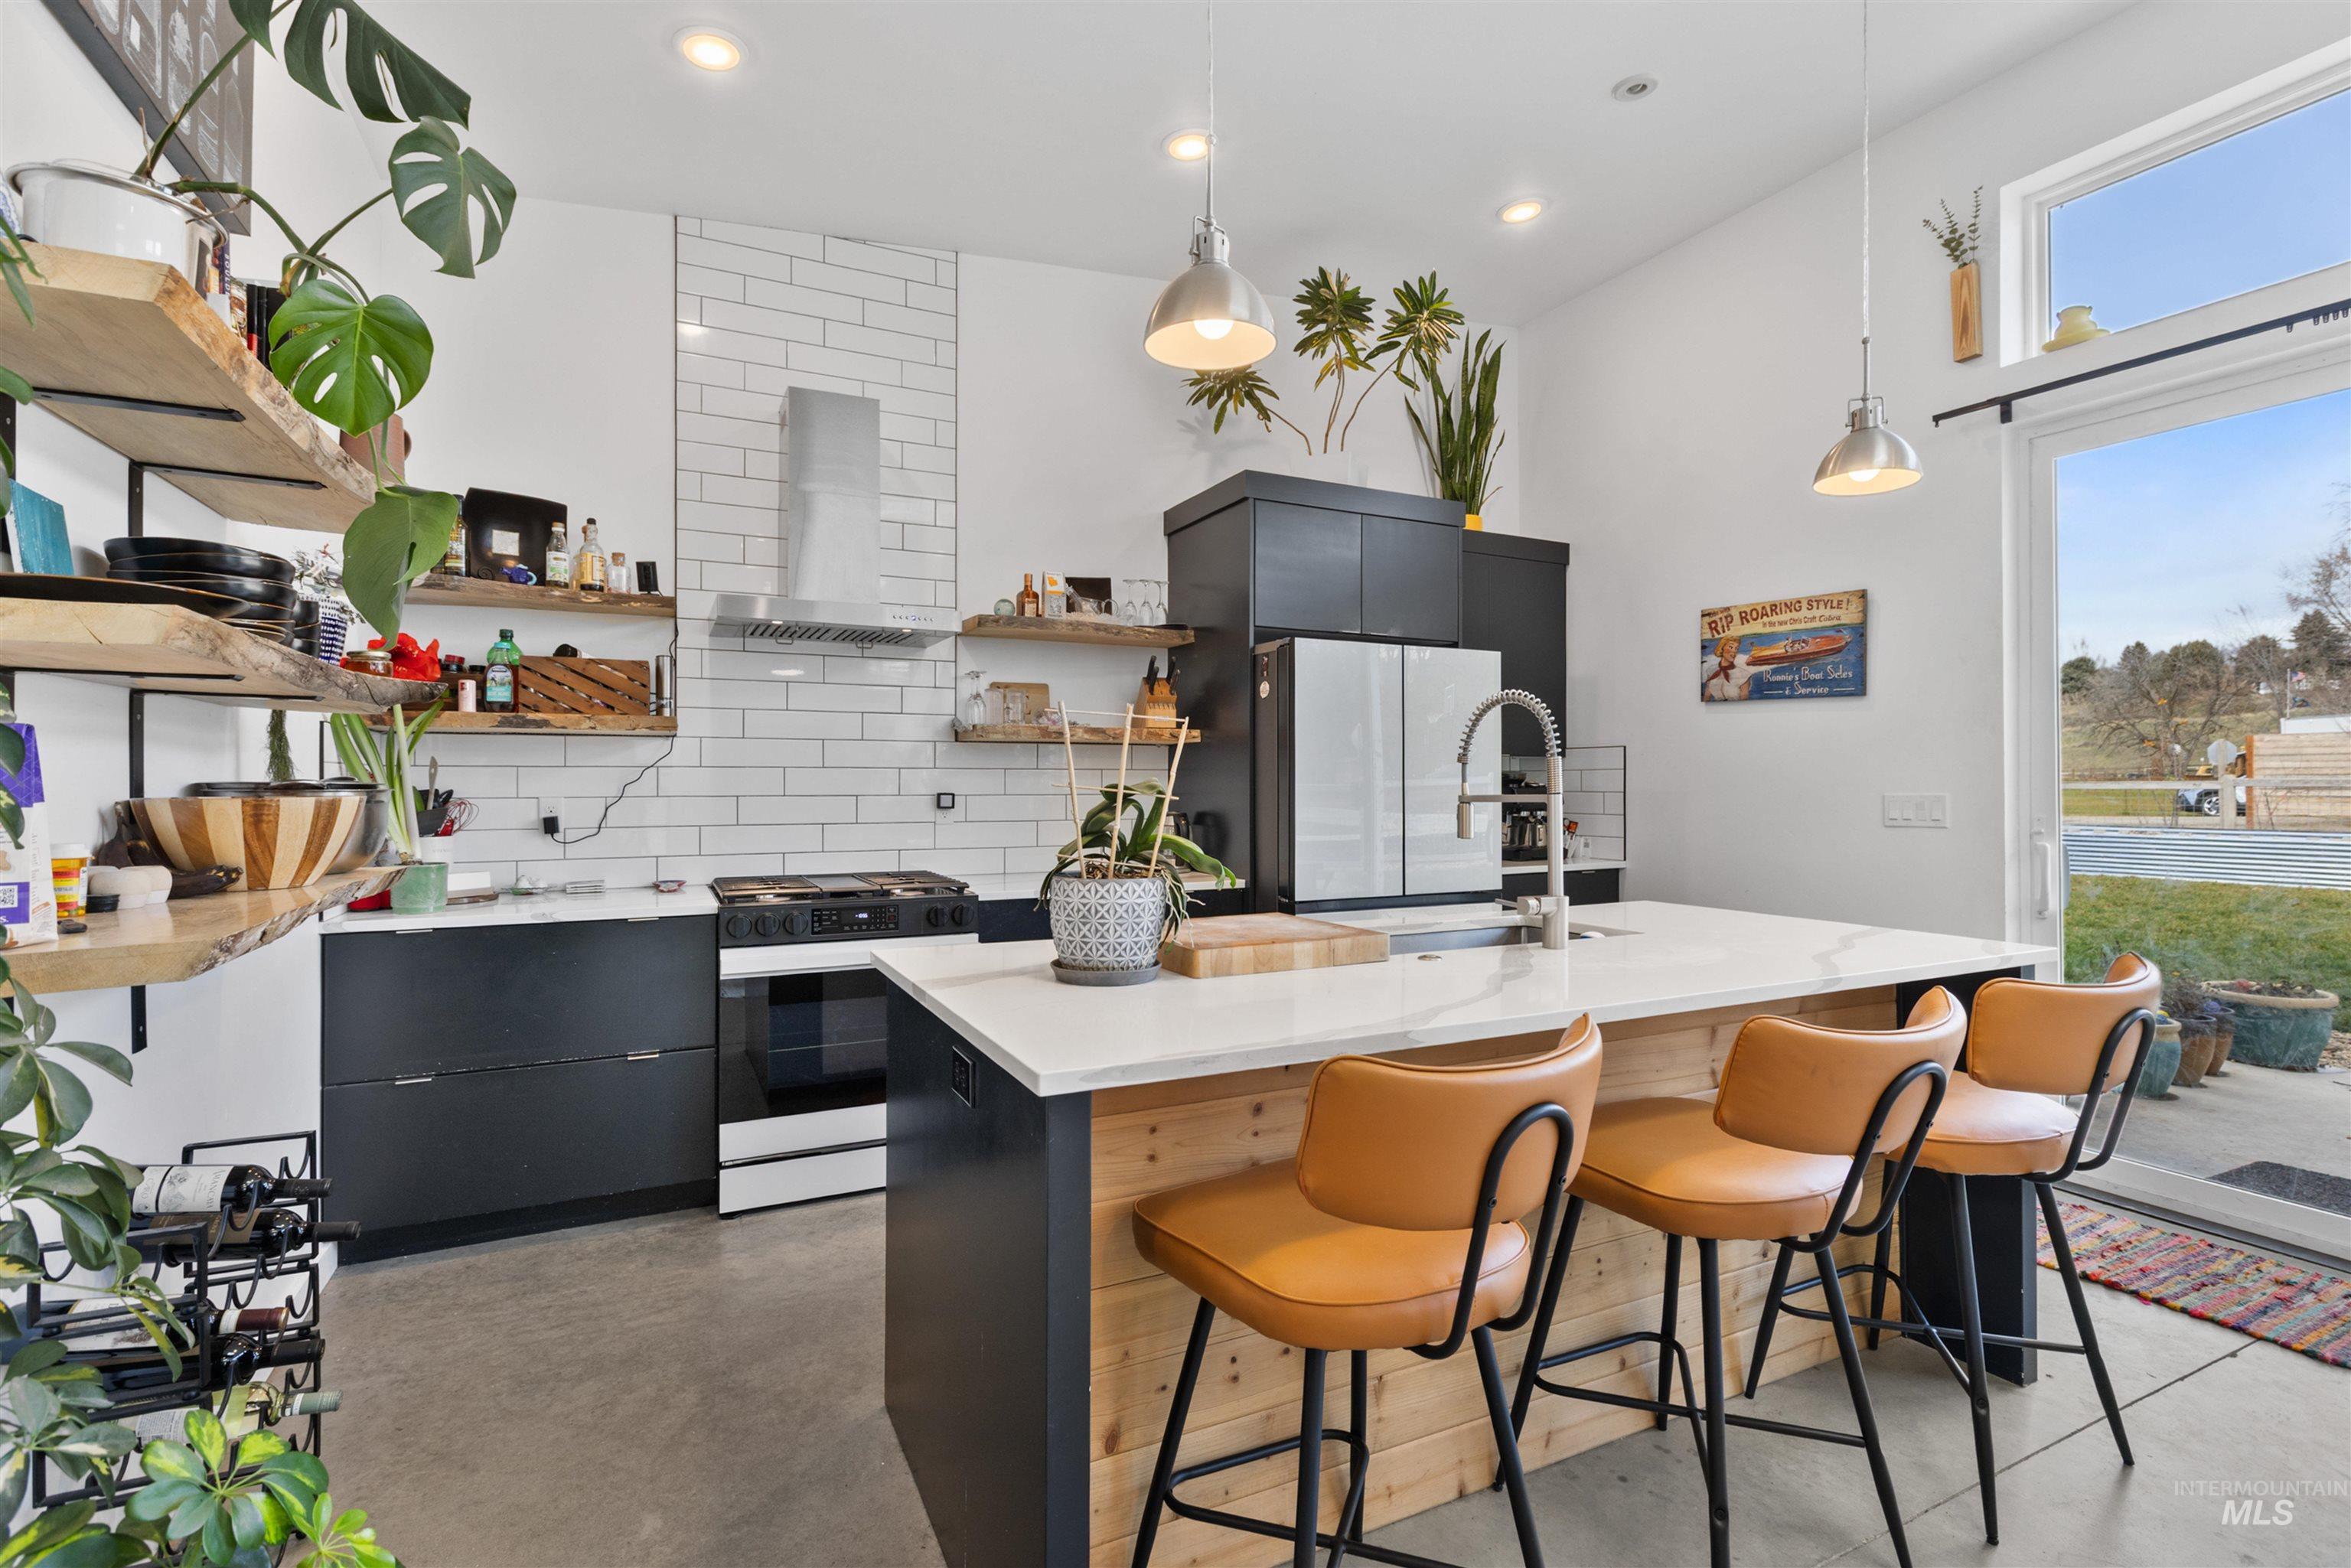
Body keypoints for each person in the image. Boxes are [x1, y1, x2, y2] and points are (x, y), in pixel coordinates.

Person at [1703, 636, 1759, 701]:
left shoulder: (1744, 675)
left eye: (1736, 649)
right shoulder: (1711, 671)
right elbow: (1706, 697)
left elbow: (1744, 703)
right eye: (1731, 647)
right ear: (1722, 648)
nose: (1734, 651)